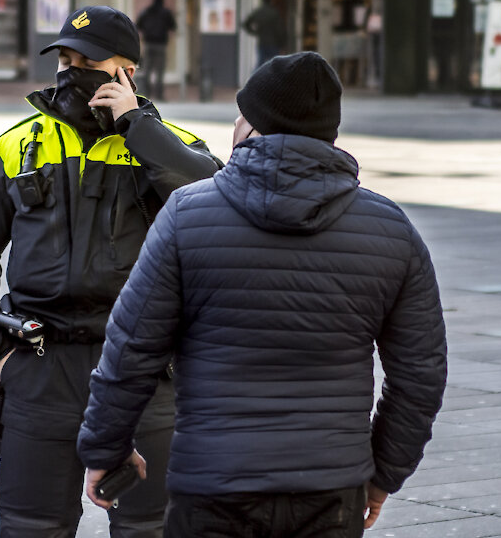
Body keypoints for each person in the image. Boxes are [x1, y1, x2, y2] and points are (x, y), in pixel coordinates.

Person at [78, 52, 447, 538]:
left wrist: (106, 448)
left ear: (250, 125)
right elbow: (420, 375)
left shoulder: (187, 216)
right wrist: (384, 475)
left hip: (212, 484)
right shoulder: (390, 230)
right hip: (331, 488)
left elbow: (131, 348)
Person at [0, 5, 222, 538]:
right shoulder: (18, 145)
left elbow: (211, 202)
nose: (71, 70)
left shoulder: (171, 145)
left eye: (88, 60)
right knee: (33, 526)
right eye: (65, 58)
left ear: (127, 71)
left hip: (140, 367)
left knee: (148, 526)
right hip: (40, 365)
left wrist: (138, 126)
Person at [135, 0, 176, 101]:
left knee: (147, 70)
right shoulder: (166, 12)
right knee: (160, 71)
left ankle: (146, 94)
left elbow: (138, 25)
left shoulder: (146, 11)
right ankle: (159, 95)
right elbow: (173, 26)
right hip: (161, 44)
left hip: (148, 43)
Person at [242, 0, 287, 70]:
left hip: (262, 42)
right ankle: (273, 82)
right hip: (274, 43)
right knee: (274, 66)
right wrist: (282, 44)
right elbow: (279, 30)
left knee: (260, 65)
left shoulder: (258, 11)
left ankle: (256, 81)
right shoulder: (274, 12)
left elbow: (246, 24)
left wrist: (255, 32)